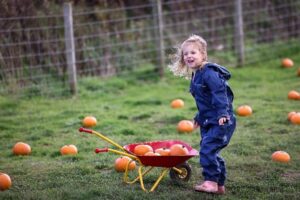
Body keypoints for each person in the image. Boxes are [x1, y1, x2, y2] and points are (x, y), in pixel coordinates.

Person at [168, 34, 236, 195]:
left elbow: (220, 94)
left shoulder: (209, 73)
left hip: (221, 120)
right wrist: (199, 117)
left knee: (206, 150)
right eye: (186, 54)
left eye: (193, 53)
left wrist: (222, 114)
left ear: (203, 55)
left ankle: (210, 182)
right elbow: (206, 101)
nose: (189, 56)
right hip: (209, 120)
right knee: (211, 151)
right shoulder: (197, 74)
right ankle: (219, 185)